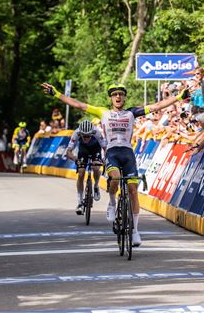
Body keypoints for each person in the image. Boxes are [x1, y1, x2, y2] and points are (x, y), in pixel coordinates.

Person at [42, 82, 184, 247]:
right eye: (115, 94)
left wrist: (180, 97)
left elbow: (157, 106)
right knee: (115, 178)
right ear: (111, 98)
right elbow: (79, 104)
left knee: (132, 190)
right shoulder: (103, 112)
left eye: (121, 94)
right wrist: (56, 93)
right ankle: (111, 202)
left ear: (124, 97)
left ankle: (135, 231)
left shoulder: (132, 112)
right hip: (112, 153)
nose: (118, 97)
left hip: (127, 153)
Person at [66, 120, 107, 215]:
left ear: (92, 133)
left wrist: (105, 158)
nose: (86, 138)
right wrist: (76, 160)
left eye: (88, 136)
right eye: (84, 136)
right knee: (81, 173)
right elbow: (68, 152)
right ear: (80, 133)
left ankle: (96, 186)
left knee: (96, 167)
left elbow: (105, 148)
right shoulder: (76, 133)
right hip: (83, 150)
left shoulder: (96, 132)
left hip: (95, 149)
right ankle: (80, 201)